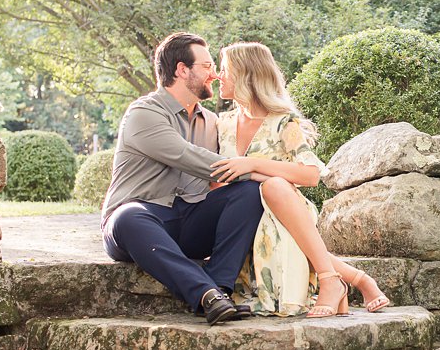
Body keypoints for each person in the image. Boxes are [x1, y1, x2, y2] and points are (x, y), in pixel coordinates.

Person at [210, 41, 390, 317]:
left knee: (274, 186)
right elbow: (218, 180)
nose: (219, 76)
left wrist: (253, 166)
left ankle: (333, 282)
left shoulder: (283, 122)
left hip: (284, 206)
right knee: (267, 199)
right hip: (244, 214)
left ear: (247, 75)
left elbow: (310, 175)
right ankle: (355, 280)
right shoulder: (221, 124)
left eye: (225, 69)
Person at [101, 33, 265, 324]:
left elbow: (229, 177)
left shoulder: (213, 122)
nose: (214, 75)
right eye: (206, 66)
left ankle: (220, 291)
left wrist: (265, 174)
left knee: (249, 192)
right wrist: (265, 168)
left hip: (189, 220)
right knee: (128, 216)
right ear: (181, 70)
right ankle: (207, 294)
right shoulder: (144, 113)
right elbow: (190, 158)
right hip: (142, 221)